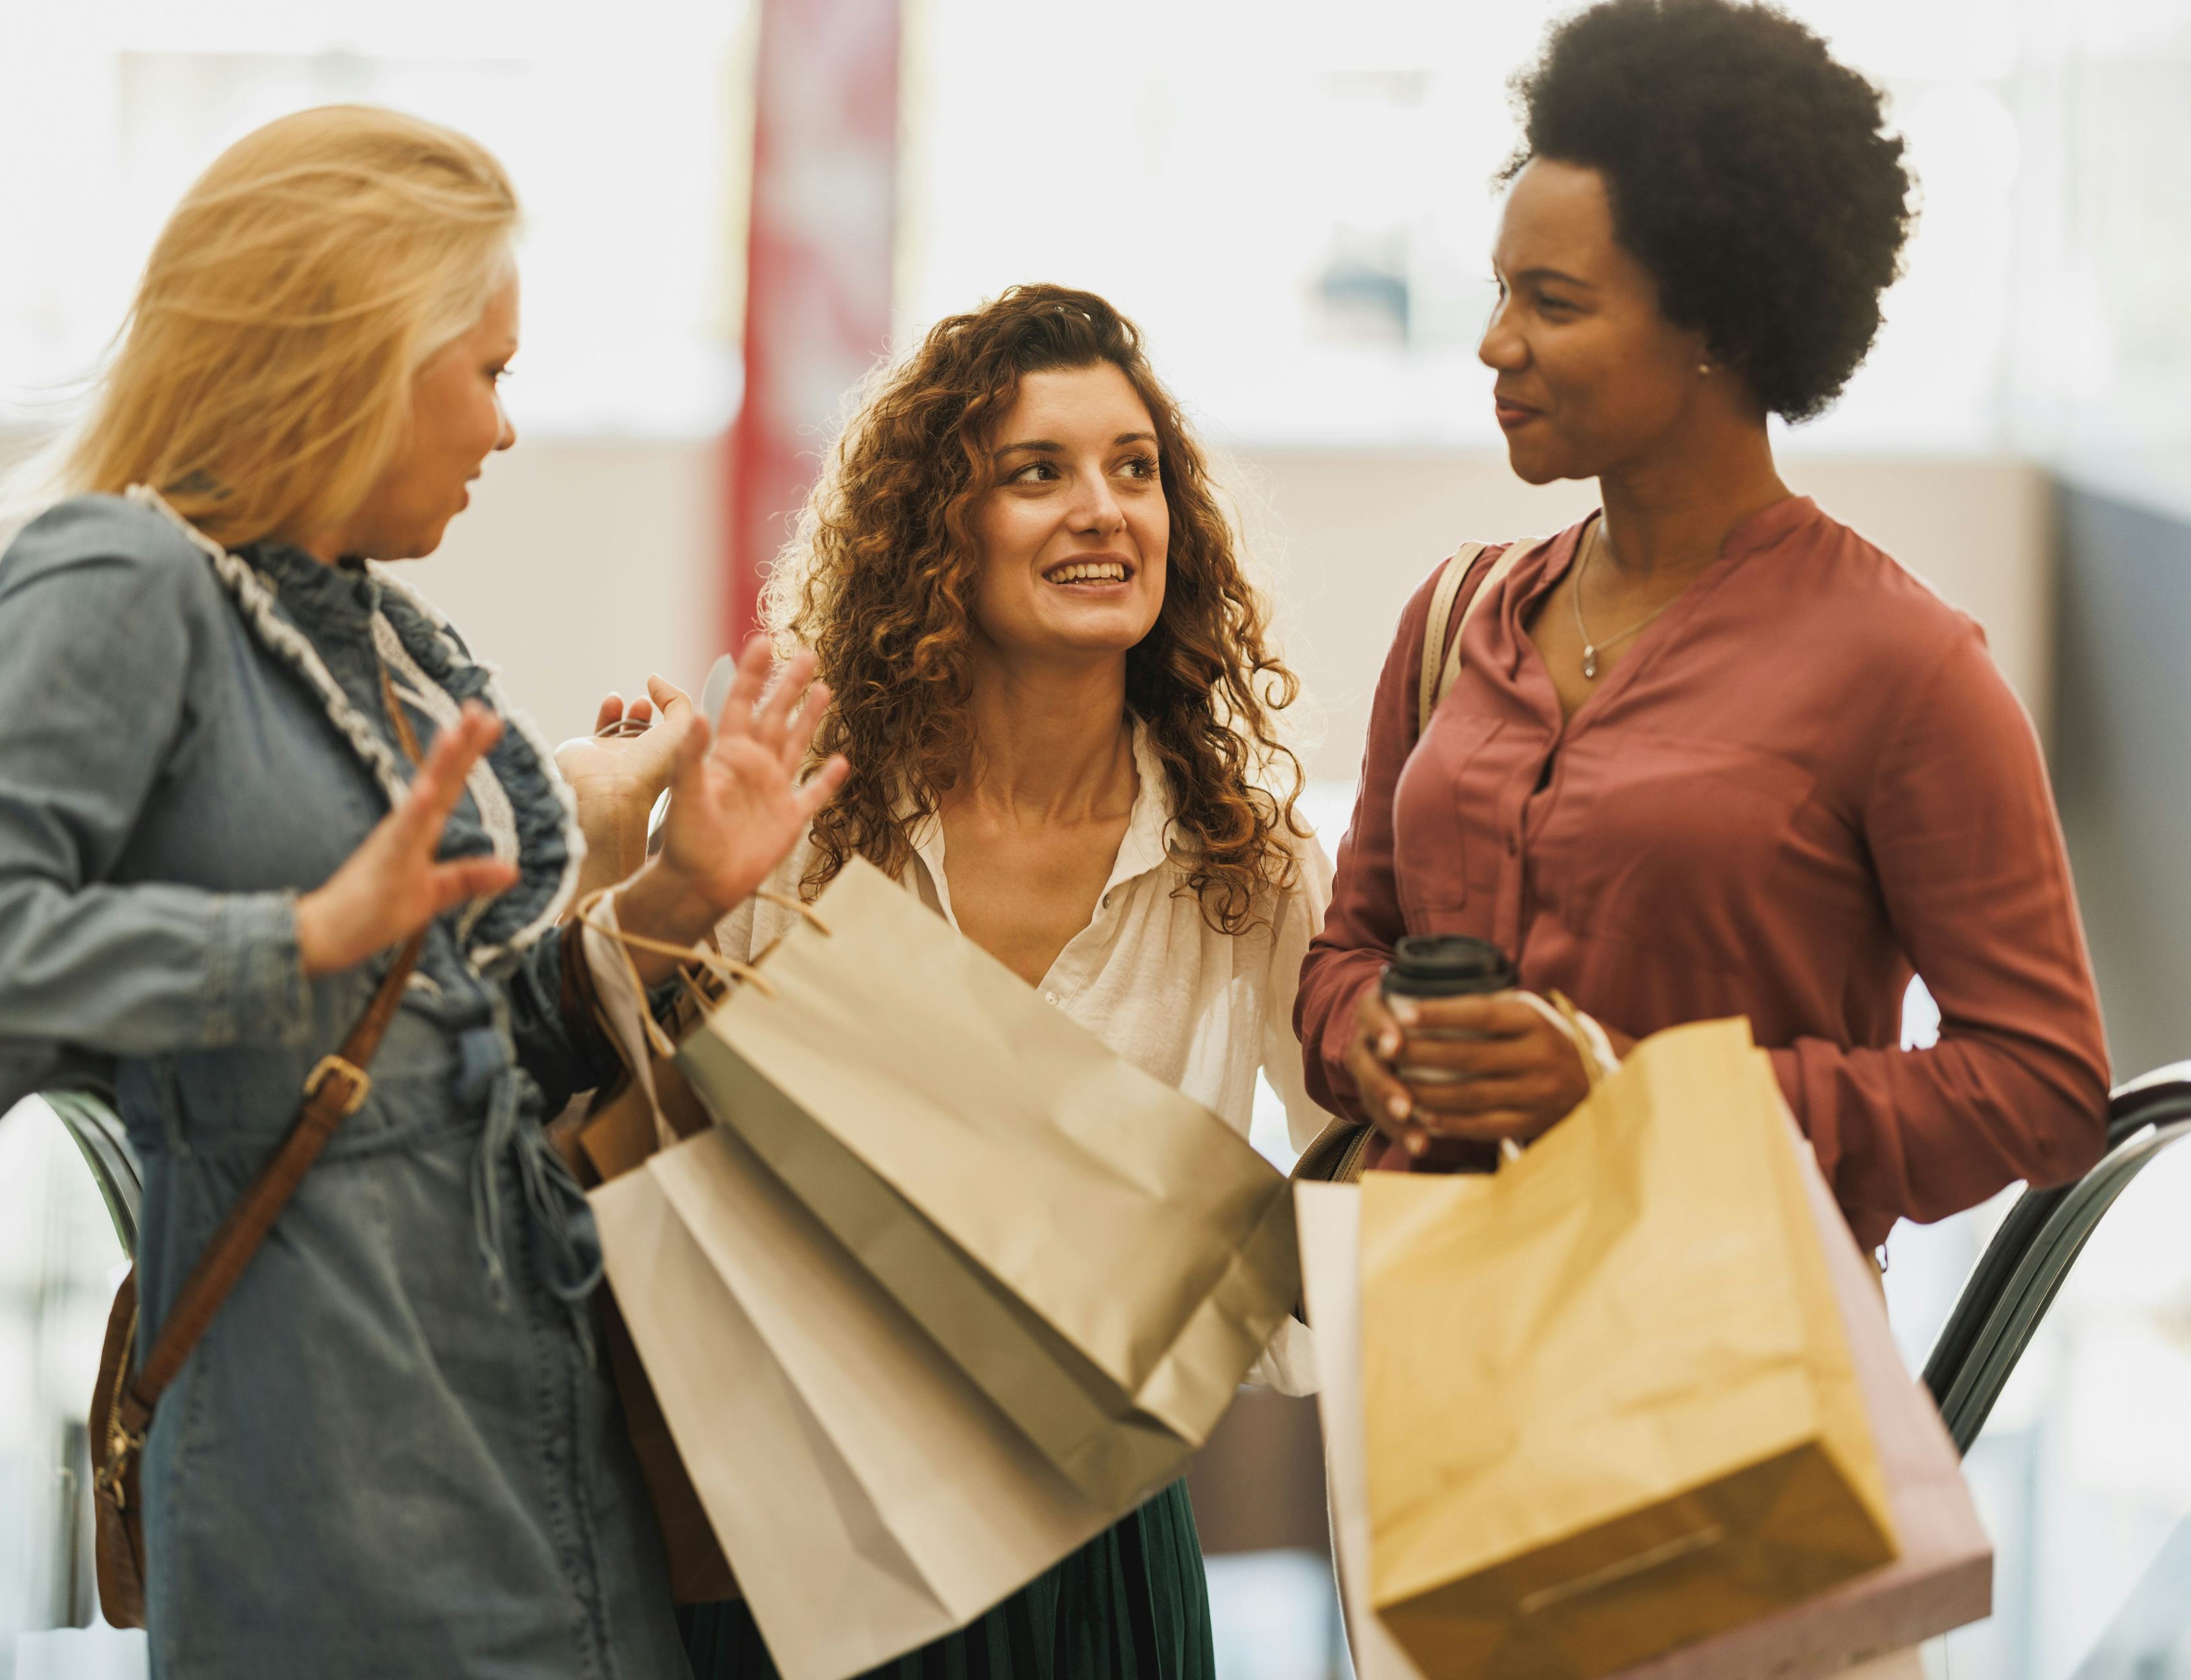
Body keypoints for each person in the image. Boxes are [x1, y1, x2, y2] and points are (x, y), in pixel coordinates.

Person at [0, 106, 844, 1678]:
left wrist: (682, 891)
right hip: (328, 1484)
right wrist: (303, 937)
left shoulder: (369, 632)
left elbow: (460, 1036)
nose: (506, 429)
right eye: (492, 373)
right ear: (359, 351)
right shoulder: (122, 583)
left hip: (531, 1439)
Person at [567, 283, 1328, 1678]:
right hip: (815, 1535)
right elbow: (624, 1111)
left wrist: (1188, 1313)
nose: (1102, 509)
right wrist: (661, 887)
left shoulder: (1247, 865)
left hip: (1096, 1540)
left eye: (1134, 470)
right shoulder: (805, 815)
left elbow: (1343, 1214)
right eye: (1037, 472)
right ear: (938, 534)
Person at [1295, 0, 2109, 1248]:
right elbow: (1347, 961)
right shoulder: (1459, 617)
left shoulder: (1904, 668)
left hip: (1718, 1370)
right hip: (1433, 1348)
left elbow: (2041, 1092)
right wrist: (1383, 1038)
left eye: (1554, 304)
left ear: (1719, 328)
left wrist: (1633, 1093)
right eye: (1501, 290)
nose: (1493, 344)